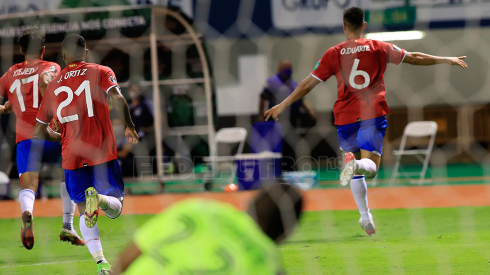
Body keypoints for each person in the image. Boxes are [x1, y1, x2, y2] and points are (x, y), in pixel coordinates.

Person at [265, 7, 467, 236]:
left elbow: (307, 84)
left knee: (354, 170)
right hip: (372, 113)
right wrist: (445, 59)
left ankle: (365, 217)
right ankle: (358, 164)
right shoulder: (379, 47)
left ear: (344, 26)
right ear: (364, 25)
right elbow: (413, 58)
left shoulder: (334, 53)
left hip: (345, 117)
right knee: (370, 169)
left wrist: (282, 104)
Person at [34, 34, 139, 274]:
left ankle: (102, 264)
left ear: (62, 56)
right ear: (87, 52)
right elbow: (117, 98)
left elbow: (39, 130)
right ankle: (100, 199)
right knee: (117, 208)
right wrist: (130, 126)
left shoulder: (54, 85)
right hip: (101, 151)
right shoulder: (100, 71)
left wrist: (60, 137)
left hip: (71, 156)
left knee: (83, 211)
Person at [0, 28, 85, 250]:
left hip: (26, 137)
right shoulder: (51, 67)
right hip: (51, 133)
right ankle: (68, 224)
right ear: (44, 50)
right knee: (69, 175)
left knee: (29, 185)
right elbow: (47, 82)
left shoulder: (10, 73)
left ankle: (27, 212)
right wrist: (56, 116)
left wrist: (4, 108)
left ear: (20, 50)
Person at [112, 183, 303, 275]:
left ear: (250, 203)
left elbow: (130, 254)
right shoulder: (267, 262)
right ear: (286, 232)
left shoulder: (196, 207)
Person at [258, 60, 317, 126]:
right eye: (285, 67)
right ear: (279, 68)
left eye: (289, 67)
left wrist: (310, 109)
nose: (287, 69)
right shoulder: (272, 82)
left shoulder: (293, 84)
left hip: (293, 120)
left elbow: (302, 99)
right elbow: (263, 98)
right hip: (277, 119)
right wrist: (261, 114)